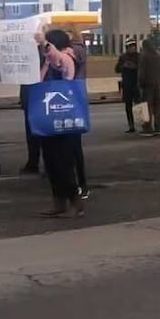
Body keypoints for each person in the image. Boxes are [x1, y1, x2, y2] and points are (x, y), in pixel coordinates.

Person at [36, 29, 85, 218]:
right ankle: (59, 200)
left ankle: (75, 200)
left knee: (63, 161)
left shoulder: (67, 58)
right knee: (50, 161)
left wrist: (45, 44)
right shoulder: (47, 62)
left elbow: (59, 61)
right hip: (50, 117)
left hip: (64, 118)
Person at [69, 31, 90, 199]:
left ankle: (80, 184)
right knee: (74, 147)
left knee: (73, 147)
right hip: (75, 97)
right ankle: (80, 183)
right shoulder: (77, 50)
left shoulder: (75, 51)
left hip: (72, 97)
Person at [137, 38, 160, 136]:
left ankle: (147, 128)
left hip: (147, 85)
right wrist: (159, 80)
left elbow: (141, 72)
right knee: (157, 106)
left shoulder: (143, 55)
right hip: (157, 83)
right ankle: (158, 126)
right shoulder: (158, 55)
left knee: (147, 106)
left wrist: (140, 83)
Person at [116, 38, 141, 133]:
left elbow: (142, 68)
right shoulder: (123, 57)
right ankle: (131, 125)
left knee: (139, 105)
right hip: (126, 84)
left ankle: (144, 124)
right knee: (128, 106)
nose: (132, 48)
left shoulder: (139, 56)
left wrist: (134, 67)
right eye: (130, 46)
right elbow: (117, 69)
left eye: (133, 46)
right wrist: (124, 66)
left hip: (136, 84)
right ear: (127, 47)